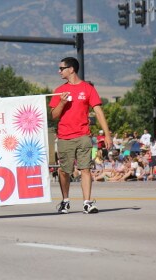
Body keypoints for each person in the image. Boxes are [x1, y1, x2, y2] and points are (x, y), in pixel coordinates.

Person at [49, 57, 112, 214]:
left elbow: (98, 111)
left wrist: (107, 134)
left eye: (61, 68)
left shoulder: (88, 88)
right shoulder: (59, 90)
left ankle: (87, 203)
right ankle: (65, 201)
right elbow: (53, 115)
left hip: (83, 135)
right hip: (64, 136)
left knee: (85, 169)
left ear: (71, 69)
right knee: (64, 171)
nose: (59, 71)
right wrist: (62, 103)